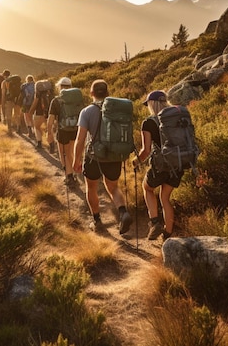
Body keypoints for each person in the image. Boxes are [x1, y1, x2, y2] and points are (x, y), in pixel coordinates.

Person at [73, 79, 132, 234]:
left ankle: (97, 221)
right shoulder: (117, 110)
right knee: (113, 187)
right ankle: (123, 212)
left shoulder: (86, 112)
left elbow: (80, 139)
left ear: (91, 93)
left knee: (91, 187)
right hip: (114, 155)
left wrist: (76, 159)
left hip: (94, 157)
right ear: (107, 93)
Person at [132, 90, 181, 240]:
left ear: (152, 104)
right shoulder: (178, 117)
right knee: (165, 197)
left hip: (161, 166)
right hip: (178, 163)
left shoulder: (149, 122)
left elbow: (145, 151)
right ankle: (167, 234)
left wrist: (136, 161)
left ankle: (155, 223)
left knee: (147, 188)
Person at [47, 77, 78, 185]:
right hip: (75, 129)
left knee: (64, 153)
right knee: (71, 152)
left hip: (62, 130)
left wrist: (49, 133)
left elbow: (50, 120)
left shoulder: (56, 100)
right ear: (71, 87)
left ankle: (69, 176)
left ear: (59, 87)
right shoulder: (77, 100)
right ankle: (74, 173)